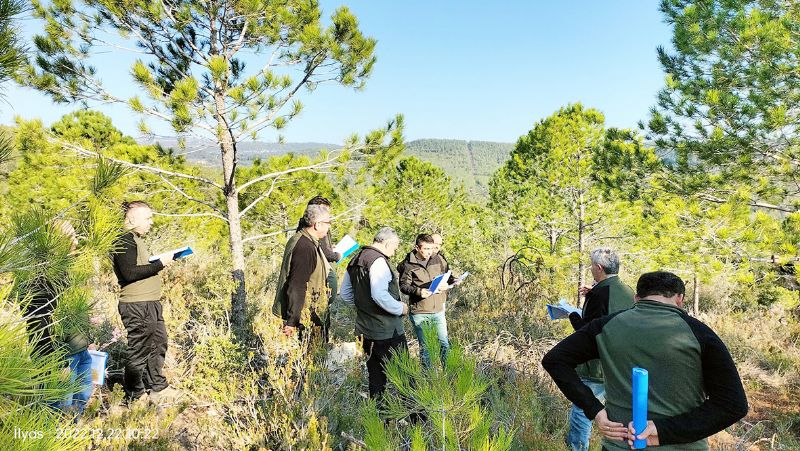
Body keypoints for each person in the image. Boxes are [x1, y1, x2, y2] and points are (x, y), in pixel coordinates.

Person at [542, 271, 748, 451]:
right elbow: (733, 405)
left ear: (636, 298)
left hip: (619, 445)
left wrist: (594, 410)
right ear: (680, 299)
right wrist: (662, 431)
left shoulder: (606, 326)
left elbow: (555, 360)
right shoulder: (699, 333)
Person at [20, 219, 94, 414]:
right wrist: (56, 361)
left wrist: (89, 339)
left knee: (80, 401)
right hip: (60, 357)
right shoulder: (41, 274)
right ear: (53, 240)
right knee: (56, 409)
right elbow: (39, 321)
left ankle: (72, 435)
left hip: (81, 350)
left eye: (75, 235)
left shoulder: (70, 270)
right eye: (70, 236)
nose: (76, 241)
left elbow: (78, 310)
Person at [564, 248, 635, 451]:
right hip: (619, 363)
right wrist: (592, 292)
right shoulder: (627, 291)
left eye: (591, 265)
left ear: (599, 267)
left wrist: (572, 315)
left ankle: (577, 447)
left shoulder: (599, 295)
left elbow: (587, 332)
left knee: (583, 409)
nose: (590, 268)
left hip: (595, 365)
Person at [111, 201, 179, 404]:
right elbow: (129, 273)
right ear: (132, 220)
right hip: (137, 305)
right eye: (148, 218)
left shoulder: (135, 239)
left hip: (149, 303)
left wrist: (157, 263)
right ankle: (134, 394)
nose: (152, 222)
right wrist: (160, 264)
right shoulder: (123, 239)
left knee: (158, 344)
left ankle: (157, 387)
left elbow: (136, 267)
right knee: (139, 350)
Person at [339, 227, 409, 398]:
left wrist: (364, 308)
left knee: (376, 379)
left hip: (365, 331)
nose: (394, 251)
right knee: (406, 375)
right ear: (387, 243)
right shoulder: (378, 261)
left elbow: (346, 294)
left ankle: (380, 421)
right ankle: (417, 420)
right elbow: (379, 295)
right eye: (395, 247)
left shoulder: (355, 258)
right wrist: (401, 308)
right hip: (387, 331)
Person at [273, 204, 332, 341]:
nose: (329, 226)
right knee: (312, 356)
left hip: (308, 313)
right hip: (306, 317)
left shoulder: (304, 239)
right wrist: (292, 320)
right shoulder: (305, 247)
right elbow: (297, 285)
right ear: (317, 225)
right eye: (328, 223)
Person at [397, 233, 457, 367]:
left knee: (444, 344)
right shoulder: (408, 264)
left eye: (432, 248)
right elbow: (404, 286)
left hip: (438, 310)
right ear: (417, 248)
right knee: (426, 349)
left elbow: (448, 275)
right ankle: (428, 380)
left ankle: (450, 376)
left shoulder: (438, 258)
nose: (430, 252)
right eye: (426, 249)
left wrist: (450, 283)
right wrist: (418, 292)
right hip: (420, 312)